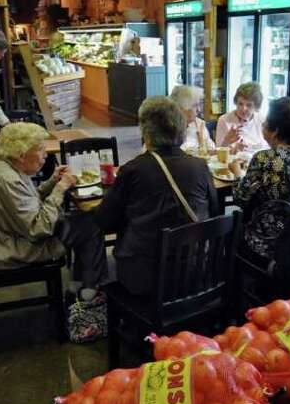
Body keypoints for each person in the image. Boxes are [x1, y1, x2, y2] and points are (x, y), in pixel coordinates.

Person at [93, 97, 218, 296]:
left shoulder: (133, 170)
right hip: (194, 273)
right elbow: (214, 212)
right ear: (182, 130)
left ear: (146, 133)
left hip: (145, 279)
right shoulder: (200, 166)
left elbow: (104, 221)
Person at [0, 122, 107, 295]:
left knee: (84, 221)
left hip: (11, 234)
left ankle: (83, 286)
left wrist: (52, 181)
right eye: (40, 150)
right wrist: (60, 189)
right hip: (15, 248)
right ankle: (89, 294)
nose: (45, 156)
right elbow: (39, 228)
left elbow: (27, 201)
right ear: (21, 155)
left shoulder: (2, 164)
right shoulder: (7, 179)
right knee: (91, 225)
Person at [230, 97, 290, 261]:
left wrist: (237, 173)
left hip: (269, 244)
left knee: (232, 227)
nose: (263, 125)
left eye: (266, 122)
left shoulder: (265, 158)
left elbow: (240, 198)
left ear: (275, 131)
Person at [215, 82, 266, 154]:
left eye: (249, 105)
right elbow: (218, 153)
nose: (243, 109)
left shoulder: (261, 120)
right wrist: (228, 144)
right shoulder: (224, 120)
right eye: (240, 104)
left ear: (256, 106)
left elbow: (266, 148)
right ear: (236, 102)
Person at [170, 85, 215, 152]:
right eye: (195, 105)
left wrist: (203, 144)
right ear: (182, 108)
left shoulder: (199, 124)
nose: (199, 109)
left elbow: (212, 149)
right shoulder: (168, 127)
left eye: (199, 105)